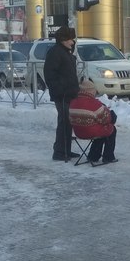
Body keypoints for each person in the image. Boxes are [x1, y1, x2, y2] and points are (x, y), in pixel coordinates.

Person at [43, 26, 80, 161]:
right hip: (62, 95)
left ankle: (66, 150)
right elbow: (49, 74)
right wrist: (60, 89)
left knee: (68, 123)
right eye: (70, 39)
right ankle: (59, 152)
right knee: (63, 123)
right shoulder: (55, 52)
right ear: (63, 39)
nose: (72, 42)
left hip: (69, 94)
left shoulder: (66, 52)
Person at [68, 80, 118, 164]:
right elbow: (106, 119)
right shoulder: (94, 104)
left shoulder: (73, 102)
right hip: (91, 132)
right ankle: (108, 157)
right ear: (91, 90)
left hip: (78, 132)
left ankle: (93, 156)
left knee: (98, 127)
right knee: (110, 129)